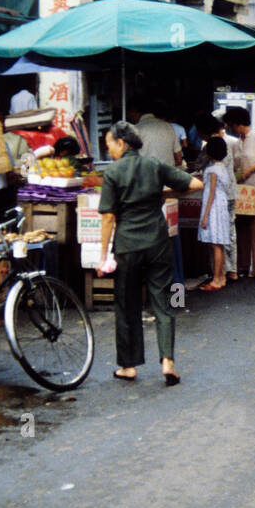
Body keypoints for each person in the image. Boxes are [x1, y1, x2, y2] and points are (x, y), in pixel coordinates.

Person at [97, 121, 201, 385]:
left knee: (127, 304)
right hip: (157, 242)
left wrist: (102, 256)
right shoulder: (154, 165)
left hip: (127, 245)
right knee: (163, 303)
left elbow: (108, 217)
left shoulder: (112, 172)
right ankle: (168, 362)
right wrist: (163, 193)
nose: (108, 150)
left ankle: (129, 366)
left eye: (109, 144)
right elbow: (195, 184)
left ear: (121, 143)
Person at [224, 106, 255, 278]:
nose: (231, 128)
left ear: (238, 123)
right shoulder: (237, 142)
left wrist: (250, 169)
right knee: (242, 227)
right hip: (242, 189)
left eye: (232, 125)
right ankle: (243, 265)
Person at [198, 135, 233, 291]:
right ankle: (222, 277)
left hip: (213, 207)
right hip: (222, 204)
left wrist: (205, 216)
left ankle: (217, 280)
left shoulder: (212, 170)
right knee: (220, 243)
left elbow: (211, 193)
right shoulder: (223, 168)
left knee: (215, 245)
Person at [127, 96, 182, 167]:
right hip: (167, 176)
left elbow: (129, 161)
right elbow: (179, 159)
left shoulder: (136, 129)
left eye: (129, 113)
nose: (129, 116)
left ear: (133, 110)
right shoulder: (168, 127)